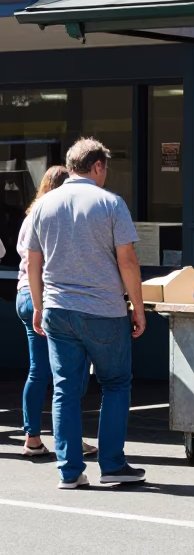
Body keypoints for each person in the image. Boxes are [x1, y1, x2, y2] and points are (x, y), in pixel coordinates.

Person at [25, 138, 147, 489]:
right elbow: (127, 261)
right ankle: (111, 466)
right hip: (103, 311)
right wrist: (138, 309)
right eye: (105, 167)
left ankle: (69, 471)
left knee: (64, 390)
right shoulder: (111, 203)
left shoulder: (44, 204)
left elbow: (33, 263)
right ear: (96, 166)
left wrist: (38, 305)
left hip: (58, 309)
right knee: (116, 384)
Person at [15, 165, 93, 458]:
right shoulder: (56, 217)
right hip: (50, 298)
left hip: (24, 295)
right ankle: (71, 439)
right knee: (73, 371)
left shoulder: (30, 216)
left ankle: (32, 437)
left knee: (39, 370)